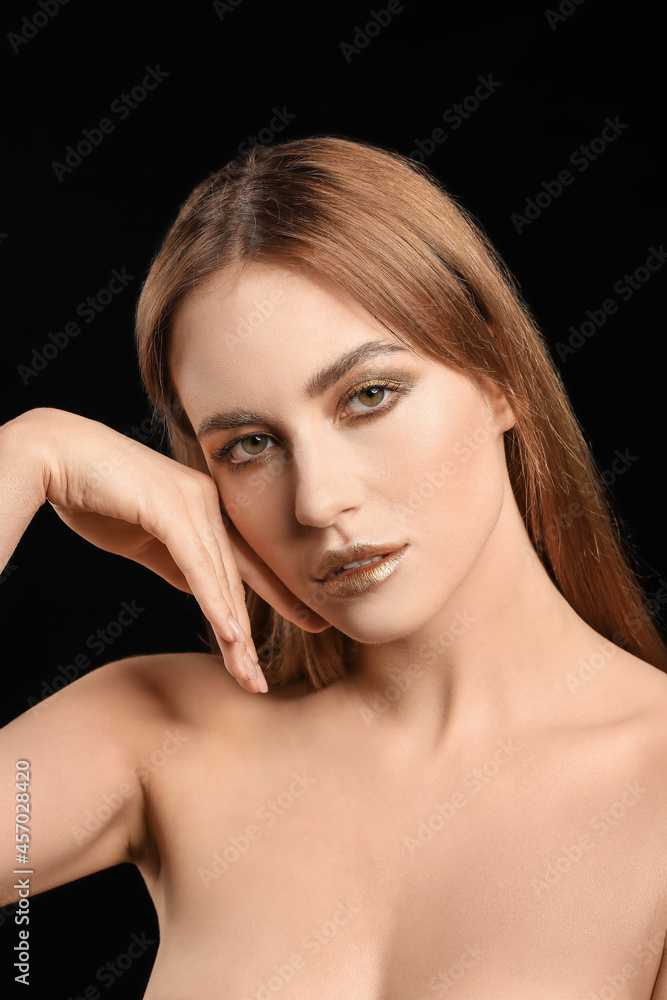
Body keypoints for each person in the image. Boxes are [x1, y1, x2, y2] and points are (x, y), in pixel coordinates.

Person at [2, 134, 667, 998]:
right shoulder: (155, 733)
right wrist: (27, 457)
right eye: (248, 445)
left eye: (368, 395)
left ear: (501, 374)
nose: (316, 501)